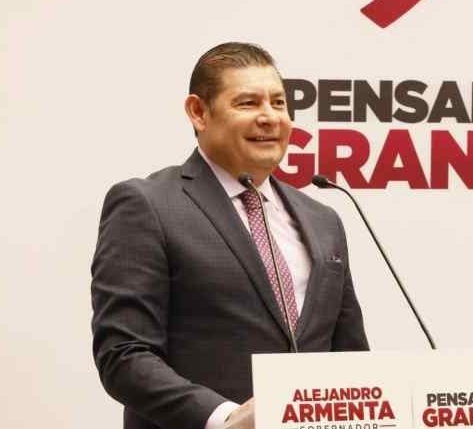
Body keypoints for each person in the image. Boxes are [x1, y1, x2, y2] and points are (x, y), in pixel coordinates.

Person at [91, 42, 369, 429]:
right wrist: (226, 419)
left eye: (279, 103)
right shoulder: (148, 205)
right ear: (198, 112)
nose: (270, 117)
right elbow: (123, 354)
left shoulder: (323, 219)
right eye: (248, 103)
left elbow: (350, 357)